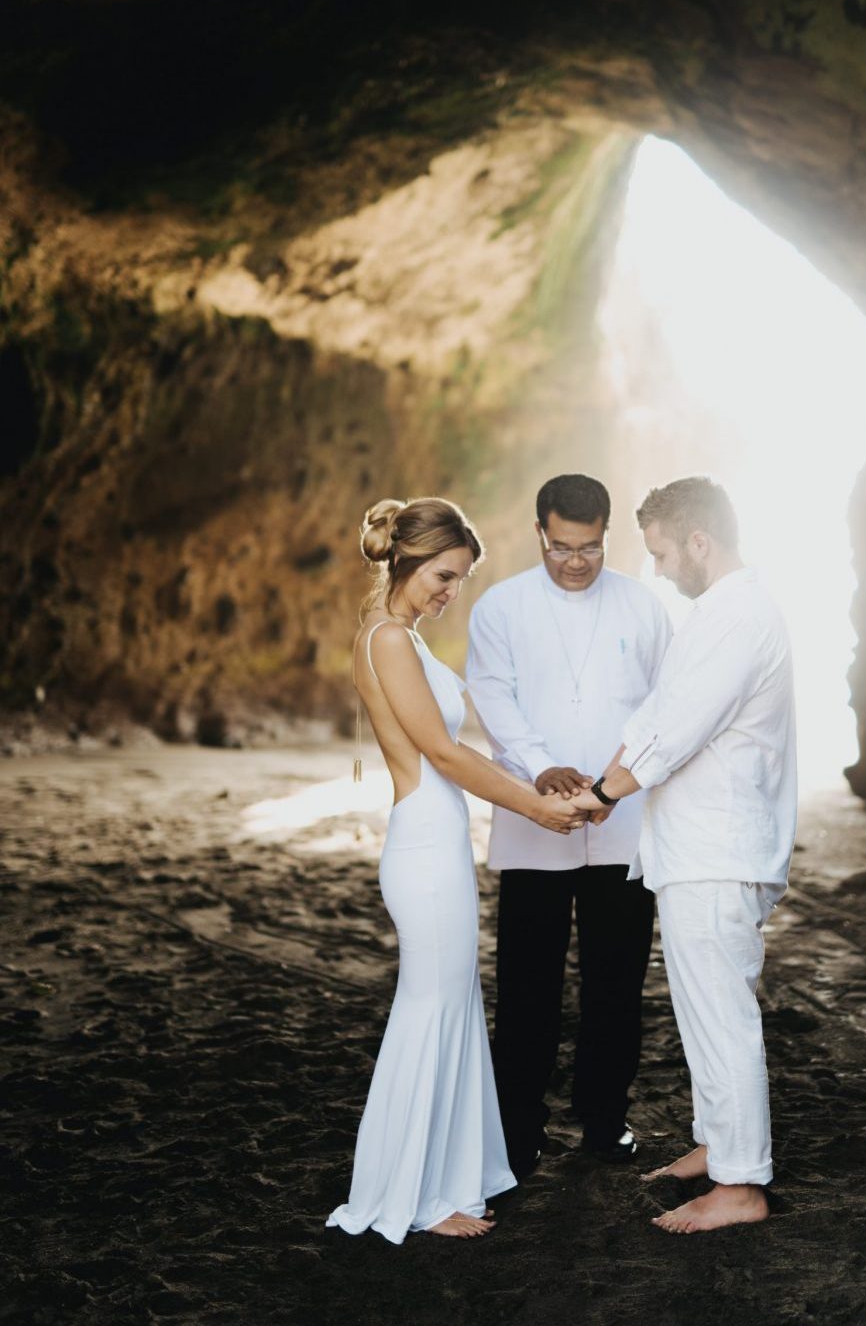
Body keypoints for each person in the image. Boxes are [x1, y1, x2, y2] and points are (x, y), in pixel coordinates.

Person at [326, 497, 584, 1244]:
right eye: (443, 573)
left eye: (462, 578)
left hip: (437, 843)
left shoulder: (396, 635)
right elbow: (442, 754)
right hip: (424, 846)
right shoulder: (388, 641)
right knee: (429, 1008)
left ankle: (440, 1178)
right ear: (405, 559)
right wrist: (535, 808)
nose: (451, 590)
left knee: (451, 1004)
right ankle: (408, 1194)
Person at [570, 477, 797, 1234]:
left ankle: (739, 1185)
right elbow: (653, 717)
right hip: (693, 844)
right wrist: (600, 780)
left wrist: (600, 795)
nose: (659, 567)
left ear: (699, 541)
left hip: (717, 844)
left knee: (721, 1014)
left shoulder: (739, 616)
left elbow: (679, 729)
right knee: (701, 1011)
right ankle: (716, 1144)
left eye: (663, 551)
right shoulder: (715, 615)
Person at [465, 474, 672, 1178]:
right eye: (561, 547)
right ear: (538, 533)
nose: (575, 560)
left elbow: (662, 709)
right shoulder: (501, 607)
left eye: (588, 546)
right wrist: (541, 767)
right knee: (527, 986)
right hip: (532, 823)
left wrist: (617, 780)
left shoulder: (644, 607)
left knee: (615, 983)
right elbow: (492, 695)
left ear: (605, 534)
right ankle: (518, 1129)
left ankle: (603, 1120)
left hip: (622, 827)